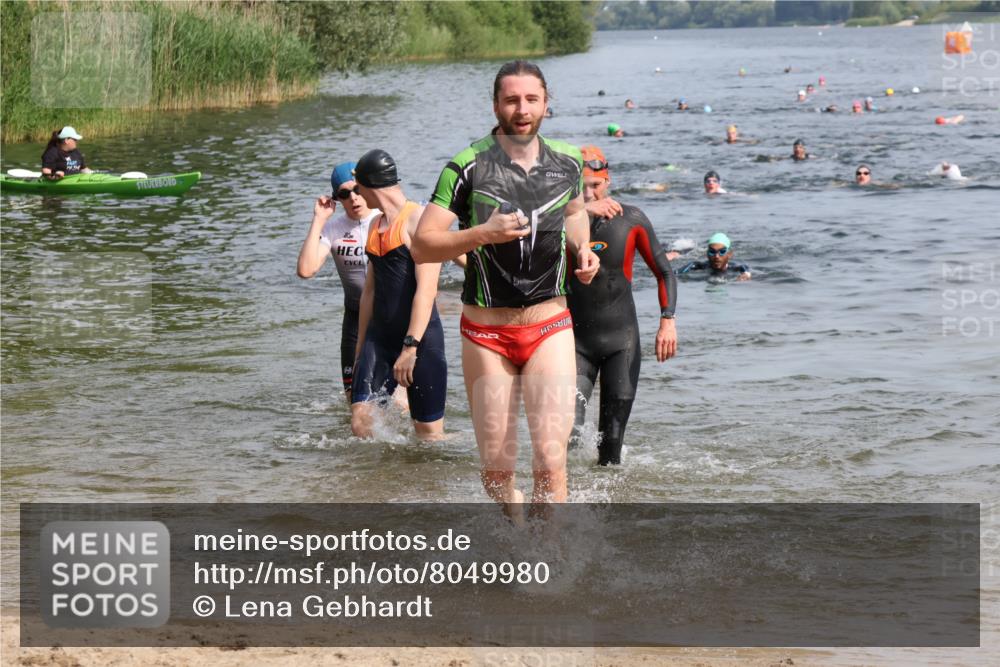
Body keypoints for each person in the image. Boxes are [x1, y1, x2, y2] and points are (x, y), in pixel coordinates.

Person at [411, 60, 600, 515]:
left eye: (532, 99)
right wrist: (482, 234)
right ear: (495, 105)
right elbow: (422, 244)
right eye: (512, 100)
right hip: (486, 334)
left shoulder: (568, 161)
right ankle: (516, 536)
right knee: (497, 473)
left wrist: (582, 248)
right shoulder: (466, 166)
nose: (522, 109)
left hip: (549, 325)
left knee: (551, 462)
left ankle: (547, 555)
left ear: (546, 104)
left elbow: (575, 211)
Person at [568, 146, 677, 465]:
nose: (589, 193)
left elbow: (664, 272)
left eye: (595, 185)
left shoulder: (631, 220)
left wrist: (667, 320)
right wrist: (582, 211)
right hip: (573, 343)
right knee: (566, 434)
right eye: (581, 187)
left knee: (611, 449)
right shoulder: (558, 223)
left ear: (608, 181)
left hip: (621, 343)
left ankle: (608, 497)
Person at [350, 149, 447, 441]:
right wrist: (360, 348)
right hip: (379, 339)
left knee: (428, 437)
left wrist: (410, 348)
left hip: (421, 342)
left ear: (369, 185)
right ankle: (377, 471)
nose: (356, 195)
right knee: (361, 421)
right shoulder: (374, 224)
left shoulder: (419, 221)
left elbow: (426, 291)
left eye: (358, 187)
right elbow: (369, 292)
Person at [297, 162, 381, 399]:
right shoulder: (333, 229)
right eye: (345, 194)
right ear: (337, 199)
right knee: (354, 400)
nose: (353, 198)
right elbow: (305, 270)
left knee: (401, 402)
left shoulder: (385, 218)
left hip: (390, 317)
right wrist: (319, 220)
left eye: (357, 189)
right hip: (354, 318)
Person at [676, 233, 751, 281]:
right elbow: (675, 273)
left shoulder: (734, 267)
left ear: (729, 254)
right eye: (712, 251)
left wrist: (746, 274)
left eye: (722, 252)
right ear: (707, 253)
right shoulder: (700, 265)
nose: (717, 256)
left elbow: (744, 267)